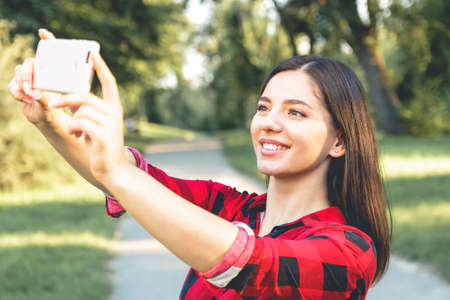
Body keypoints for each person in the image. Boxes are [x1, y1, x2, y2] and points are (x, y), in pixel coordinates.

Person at [9, 29, 391, 300]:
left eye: (296, 112)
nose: (270, 121)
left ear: (339, 140)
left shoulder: (349, 252)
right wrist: (48, 120)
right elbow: (132, 182)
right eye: (264, 107)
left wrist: (117, 172)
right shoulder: (232, 208)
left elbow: (249, 263)